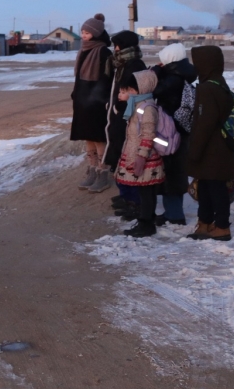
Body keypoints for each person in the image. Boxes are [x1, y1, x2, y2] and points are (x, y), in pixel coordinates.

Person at [186, 46, 234, 241]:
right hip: (218, 147)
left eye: (197, 62)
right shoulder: (219, 83)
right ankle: (205, 223)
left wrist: (194, 151)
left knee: (215, 188)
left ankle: (222, 226)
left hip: (212, 149)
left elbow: (204, 123)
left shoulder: (207, 88)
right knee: (206, 185)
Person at [114, 70, 166, 237]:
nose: (128, 93)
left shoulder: (146, 108)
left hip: (144, 156)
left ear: (141, 89)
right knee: (146, 191)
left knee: (147, 192)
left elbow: (148, 134)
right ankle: (146, 220)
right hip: (137, 153)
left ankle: (146, 223)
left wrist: (141, 156)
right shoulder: (138, 105)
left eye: (131, 89)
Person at [152, 43, 197, 226]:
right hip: (180, 130)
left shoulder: (172, 79)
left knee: (170, 173)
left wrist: (156, 72)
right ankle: (172, 212)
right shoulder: (182, 75)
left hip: (169, 131)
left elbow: (155, 91)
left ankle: (175, 215)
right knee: (175, 172)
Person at [101, 30, 147, 205]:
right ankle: (126, 194)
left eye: (117, 45)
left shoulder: (134, 64)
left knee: (126, 155)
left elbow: (135, 92)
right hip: (118, 115)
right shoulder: (120, 63)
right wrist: (110, 104)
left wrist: (119, 108)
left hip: (127, 118)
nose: (115, 48)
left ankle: (132, 199)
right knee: (119, 154)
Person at [70, 14, 113, 191]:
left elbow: (107, 79)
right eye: (82, 31)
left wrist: (102, 99)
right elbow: (79, 76)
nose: (83, 35)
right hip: (82, 100)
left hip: (97, 102)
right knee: (87, 136)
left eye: (87, 32)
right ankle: (92, 170)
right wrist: (76, 94)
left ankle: (103, 173)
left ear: (95, 33)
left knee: (98, 137)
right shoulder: (84, 49)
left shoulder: (103, 52)